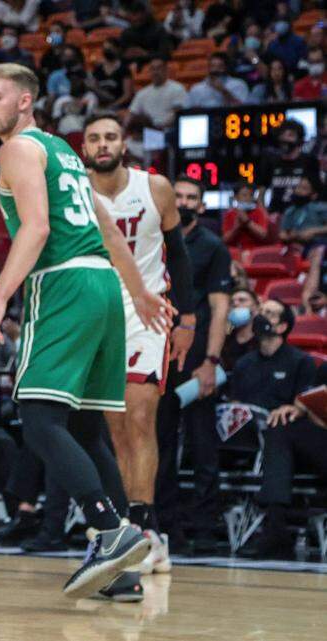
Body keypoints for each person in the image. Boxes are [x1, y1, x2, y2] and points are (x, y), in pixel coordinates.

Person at [0, 63, 171, 599]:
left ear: (25, 102)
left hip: (63, 284)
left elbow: (36, 228)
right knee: (85, 429)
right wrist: (139, 291)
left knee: (38, 419)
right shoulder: (63, 150)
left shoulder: (17, 149)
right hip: (105, 287)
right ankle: (123, 572)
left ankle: (110, 530)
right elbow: (106, 226)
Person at [83, 112, 196, 575]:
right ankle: (126, 527)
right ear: (84, 147)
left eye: (110, 136)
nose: (103, 144)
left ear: (123, 143)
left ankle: (148, 526)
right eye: (94, 138)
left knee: (141, 416)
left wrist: (187, 318)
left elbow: (180, 257)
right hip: (98, 312)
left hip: (148, 309)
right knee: (115, 429)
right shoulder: (76, 192)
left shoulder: (156, 188)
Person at [154, 176, 232, 553]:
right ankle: (166, 526)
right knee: (161, 443)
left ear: (201, 205)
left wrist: (211, 362)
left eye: (191, 197)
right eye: (179, 195)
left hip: (198, 357)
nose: (184, 202)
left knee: (203, 445)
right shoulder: (157, 241)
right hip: (160, 356)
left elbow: (220, 309)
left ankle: (203, 527)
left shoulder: (213, 247)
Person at [226, 300, 322, 559]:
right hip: (247, 434)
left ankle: (276, 525)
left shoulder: (300, 362)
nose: (261, 316)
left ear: (282, 327)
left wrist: (294, 408)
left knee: (279, 429)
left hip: (291, 436)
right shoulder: (244, 364)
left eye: (269, 313)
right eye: (261, 311)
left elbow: (306, 406)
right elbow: (234, 402)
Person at [260, 121, 322, 215]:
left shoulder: (309, 161)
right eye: (283, 135)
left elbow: (317, 193)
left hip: (301, 217)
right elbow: (261, 192)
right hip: (275, 215)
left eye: (290, 135)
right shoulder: (272, 162)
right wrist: (265, 215)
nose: (285, 139)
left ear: (299, 139)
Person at [129, 56, 189, 130]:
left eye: (158, 68)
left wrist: (160, 128)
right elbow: (132, 114)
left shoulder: (177, 88)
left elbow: (179, 114)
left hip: (169, 131)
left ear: (166, 70)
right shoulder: (142, 93)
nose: (155, 72)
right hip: (147, 132)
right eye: (153, 69)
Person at [221, 182, 270, 250]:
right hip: (235, 252)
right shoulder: (229, 214)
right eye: (244, 195)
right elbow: (224, 240)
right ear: (236, 197)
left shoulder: (259, 212)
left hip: (255, 252)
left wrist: (247, 222)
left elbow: (263, 235)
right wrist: (236, 228)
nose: (248, 198)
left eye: (251, 195)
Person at [221, 287, 259, 369]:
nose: (235, 304)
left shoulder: (263, 339)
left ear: (255, 306)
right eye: (231, 302)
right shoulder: (223, 341)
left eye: (242, 300)